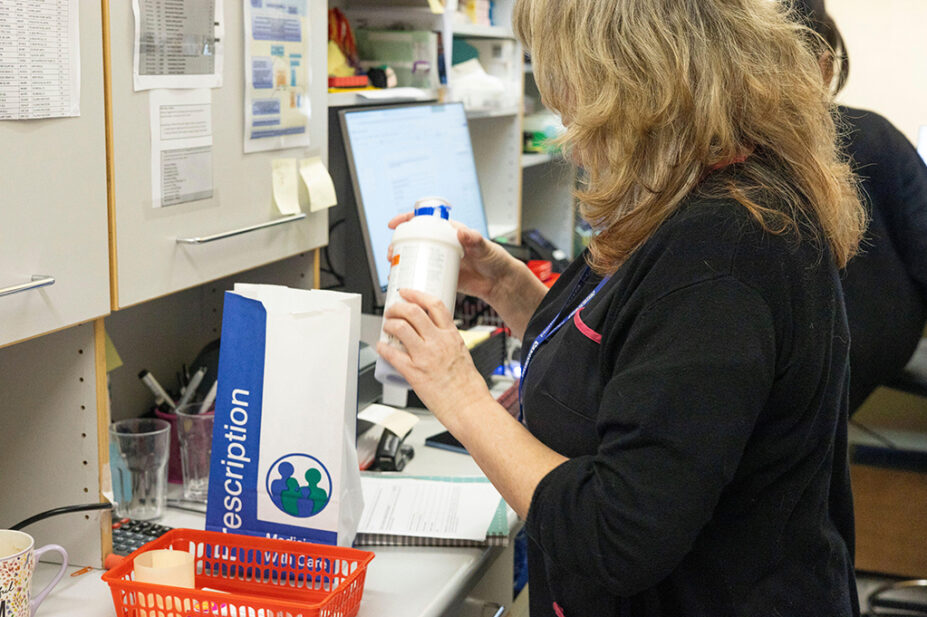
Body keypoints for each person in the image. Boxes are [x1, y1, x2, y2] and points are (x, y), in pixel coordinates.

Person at [377, 1, 866, 615]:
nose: (569, 133)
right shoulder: (704, 198)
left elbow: (618, 534)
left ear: (632, 86)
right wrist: (507, 287)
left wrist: (458, 391)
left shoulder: (725, 252)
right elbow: (630, 358)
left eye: (574, 102)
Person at [793, 0, 927, 414]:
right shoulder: (877, 136)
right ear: (826, 65)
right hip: (870, 344)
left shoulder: (742, 152)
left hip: (800, 356)